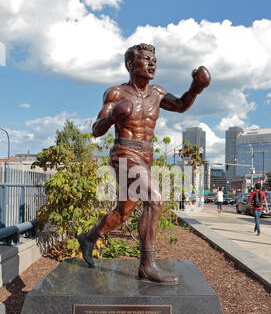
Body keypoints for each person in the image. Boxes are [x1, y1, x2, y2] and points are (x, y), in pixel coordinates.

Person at [77, 43, 211, 284]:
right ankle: (147, 265)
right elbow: (96, 130)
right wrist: (111, 118)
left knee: (122, 212)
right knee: (155, 199)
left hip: (145, 157)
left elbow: (180, 105)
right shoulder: (116, 93)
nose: (152, 64)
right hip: (124, 153)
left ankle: (88, 237)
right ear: (130, 64)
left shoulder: (157, 93)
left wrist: (196, 87)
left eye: (154, 60)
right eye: (146, 59)